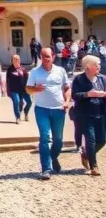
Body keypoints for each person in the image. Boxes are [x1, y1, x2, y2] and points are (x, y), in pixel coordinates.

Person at [27, 47, 73, 180]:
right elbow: (28, 89)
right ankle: (46, 169)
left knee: (58, 140)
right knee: (45, 138)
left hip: (59, 109)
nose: (45, 59)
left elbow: (67, 88)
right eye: (43, 56)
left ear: (53, 57)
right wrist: (36, 89)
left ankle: (53, 157)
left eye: (47, 56)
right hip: (42, 109)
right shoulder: (35, 72)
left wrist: (67, 102)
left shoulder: (61, 71)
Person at [72, 55, 106, 176]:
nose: (99, 66)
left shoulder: (103, 79)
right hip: (85, 115)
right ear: (88, 66)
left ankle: (86, 154)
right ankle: (93, 166)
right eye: (96, 64)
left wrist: (103, 94)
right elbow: (74, 96)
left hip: (100, 114)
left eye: (99, 64)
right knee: (90, 140)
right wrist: (88, 94)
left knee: (102, 140)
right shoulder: (79, 79)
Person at [6, 54, 33, 123]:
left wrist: (30, 88)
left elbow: (27, 79)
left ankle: (26, 112)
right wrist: (7, 90)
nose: (17, 60)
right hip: (14, 90)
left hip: (24, 90)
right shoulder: (10, 70)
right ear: (12, 60)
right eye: (15, 59)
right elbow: (7, 81)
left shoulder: (23, 69)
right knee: (16, 102)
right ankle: (18, 117)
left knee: (29, 102)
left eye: (18, 59)